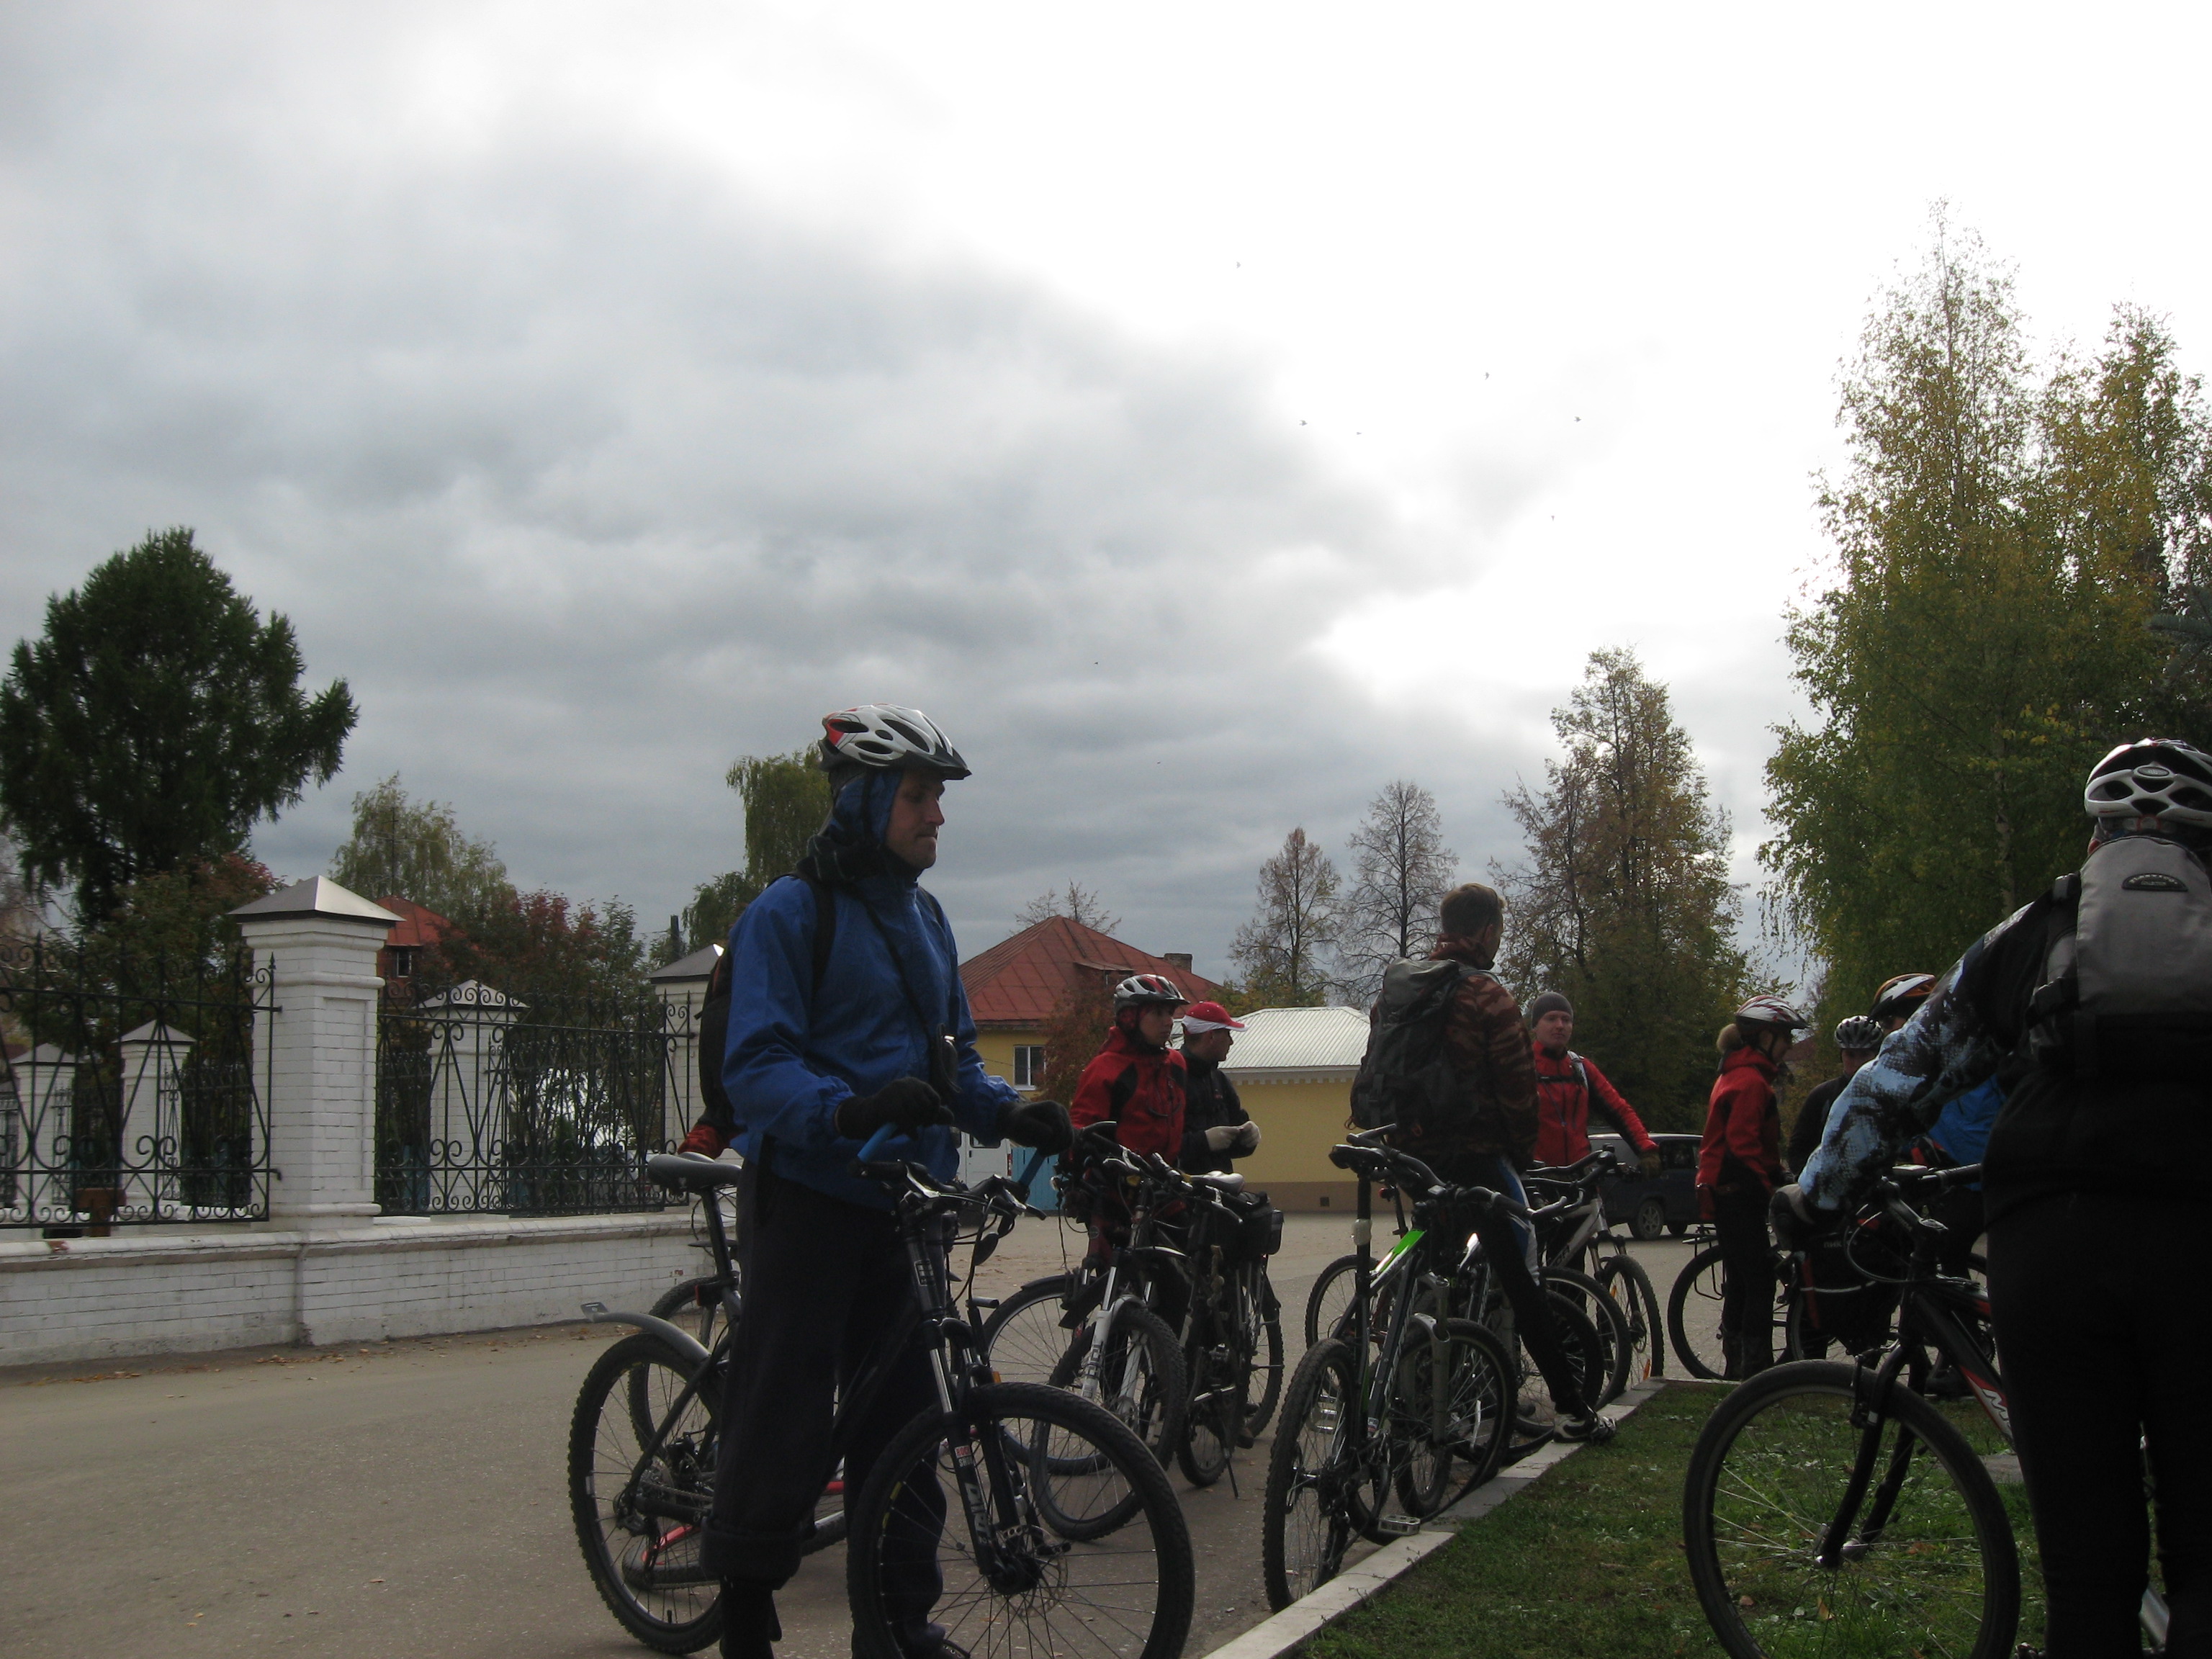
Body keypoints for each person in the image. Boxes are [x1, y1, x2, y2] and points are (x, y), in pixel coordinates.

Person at [1782, 738, 2212, 1658]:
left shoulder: (2037, 931)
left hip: (2055, 1247)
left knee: (2088, 1568)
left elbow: (1901, 1076)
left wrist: (1817, 1198)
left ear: (2095, 836)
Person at [700, 704, 1073, 1659]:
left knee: (907, 1426)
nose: (936, 815)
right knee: (783, 1407)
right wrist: (847, 1110)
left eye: (938, 797)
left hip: (907, 1206)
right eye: (917, 796)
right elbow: (757, 1064)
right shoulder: (790, 914)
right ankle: (744, 1606)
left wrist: (1008, 1113)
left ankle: (899, 1627)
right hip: (811, 1196)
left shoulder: (926, 917)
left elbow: (954, 1063)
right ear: (866, 800)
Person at [1391, 881, 1612, 1442]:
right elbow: (1518, 1093)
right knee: (1522, 1269)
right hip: (1474, 1157)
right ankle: (1572, 1410)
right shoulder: (1487, 995)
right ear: (1487, 931)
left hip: (1412, 1155)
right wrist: (1518, 1157)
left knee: (1431, 1262)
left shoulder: (1402, 988)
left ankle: (1403, 1388)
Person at [1696, 994, 1808, 1379]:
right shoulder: (1750, 1082)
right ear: (1764, 1037)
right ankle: (1755, 1371)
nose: (1789, 1045)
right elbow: (1743, 1148)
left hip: (1726, 1191)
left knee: (1741, 1281)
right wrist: (1772, 1192)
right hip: (1737, 1193)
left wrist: (1779, 1174)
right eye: (1785, 1037)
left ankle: (1736, 1369)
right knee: (1759, 1281)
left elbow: (1758, 1147)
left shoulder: (1739, 1074)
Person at [1523, 991, 1663, 1177]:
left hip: (1581, 1176)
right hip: (1535, 1178)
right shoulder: (1521, 1067)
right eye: (1551, 1019)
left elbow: (1619, 1110)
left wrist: (1646, 1150)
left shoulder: (1580, 1068)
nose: (1560, 1026)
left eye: (1566, 1020)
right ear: (1535, 1026)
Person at [1785, 1015, 1882, 1177]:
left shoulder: (1890, 1093)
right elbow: (1798, 1149)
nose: (1857, 1063)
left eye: (1864, 1055)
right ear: (1841, 1055)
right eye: (1851, 1055)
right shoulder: (1822, 1095)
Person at [1178, 999, 1261, 1175]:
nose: (1231, 1042)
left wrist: (1247, 1138)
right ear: (1211, 1036)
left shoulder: (1219, 1080)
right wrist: (1204, 1141)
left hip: (1220, 1184)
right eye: (1227, 1034)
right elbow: (1156, 1146)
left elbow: (1234, 1132)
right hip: (1181, 1185)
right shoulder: (1170, 1077)